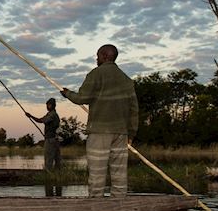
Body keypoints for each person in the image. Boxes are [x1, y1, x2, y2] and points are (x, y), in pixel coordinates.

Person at [61, 44, 138, 198]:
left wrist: (68, 94)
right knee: (119, 173)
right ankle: (119, 203)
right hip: (121, 134)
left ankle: (96, 204)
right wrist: (131, 134)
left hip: (99, 132)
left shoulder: (95, 74)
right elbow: (134, 110)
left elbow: (82, 98)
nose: (96, 59)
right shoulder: (126, 80)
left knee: (97, 172)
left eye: (97, 56)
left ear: (104, 56)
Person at [26, 98, 62, 171]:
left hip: (50, 140)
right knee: (57, 159)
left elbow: (40, 120)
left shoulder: (52, 115)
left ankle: (48, 174)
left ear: (52, 105)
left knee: (48, 158)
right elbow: (41, 120)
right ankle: (57, 174)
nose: (47, 107)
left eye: (48, 105)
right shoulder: (54, 114)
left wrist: (30, 116)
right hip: (55, 139)